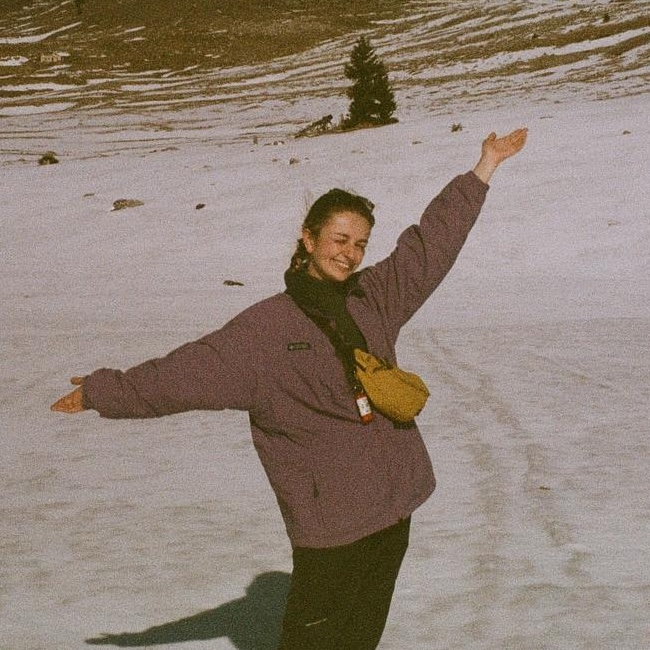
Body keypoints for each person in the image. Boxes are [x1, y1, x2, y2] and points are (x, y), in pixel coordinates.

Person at [51, 128, 528, 649]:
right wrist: (102, 392)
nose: (350, 254)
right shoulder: (265, 330)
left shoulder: (371, 299)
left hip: (394, 508)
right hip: (332, 527)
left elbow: (429, 247)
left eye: (360, 244)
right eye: (340, 240)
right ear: (309, 238)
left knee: (362, 637)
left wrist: (484, 168)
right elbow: (182, 375)